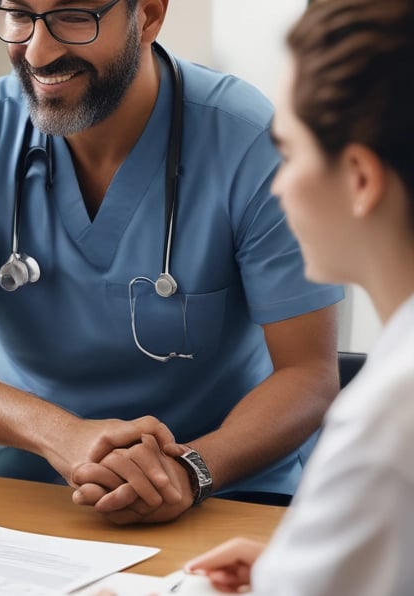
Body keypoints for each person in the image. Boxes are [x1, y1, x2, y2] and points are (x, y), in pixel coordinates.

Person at [0, 0, 344, 525]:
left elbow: (308, 374)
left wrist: (190, 469)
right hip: (28, 481)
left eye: (74, 16)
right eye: (18, 14)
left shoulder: (247, 140)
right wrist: (59, 435)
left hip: (225, 490)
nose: (37, 49)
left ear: (147, 16)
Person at [181, 0, 414, 592]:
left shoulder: (387, 421)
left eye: (288, 153)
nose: (278, 185)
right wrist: (297, 569)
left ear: (360, 180)